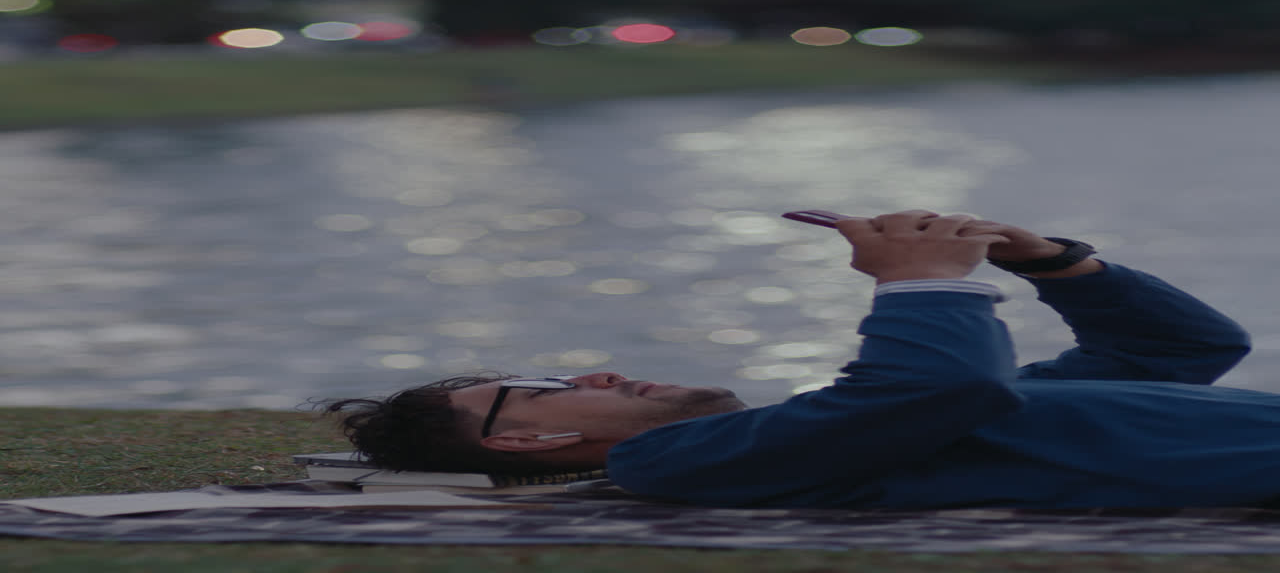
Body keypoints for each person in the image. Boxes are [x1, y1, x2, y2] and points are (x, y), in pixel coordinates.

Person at [326, 210, 1278, 509]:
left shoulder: (864, 430)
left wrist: (1056, 265)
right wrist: (920, 278)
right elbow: (940, 378)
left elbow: (1182, 349)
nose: (597, 372)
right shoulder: (670, 461)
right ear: (544, 441)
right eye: (543, 389)